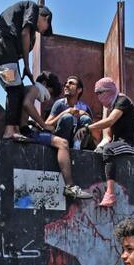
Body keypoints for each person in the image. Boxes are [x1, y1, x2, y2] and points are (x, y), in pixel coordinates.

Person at [76, 77, 134, 207]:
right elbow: (109, 133)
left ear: (109, 91)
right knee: (102, 150)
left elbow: (110, 121)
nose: (98, 97)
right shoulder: (112, 106)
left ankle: (110, 194)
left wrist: (88, 128)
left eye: (100, 92)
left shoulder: (123, 101)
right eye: (96, 94)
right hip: (119, 143)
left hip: (129, 145)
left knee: (108, 150)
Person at [17, 71, 90, 199]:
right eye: (48, 93)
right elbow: (27, 105)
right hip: (25, 131)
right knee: (63, 142)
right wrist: (44, 125)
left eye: (71, 83)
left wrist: (85, 120)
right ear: (45, 84)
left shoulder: (26, 88)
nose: (45, 98)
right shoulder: (34, 89)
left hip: (25, 130)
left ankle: (74, 149)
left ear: (79, 90)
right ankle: (70, 187)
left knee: (82, 124)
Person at [0, 1, 53, 141]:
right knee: (14, 88)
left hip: (3, 49)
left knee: (16, 88)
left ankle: (15, 128)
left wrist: (24, 66)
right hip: (3, 44)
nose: (41, 32)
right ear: (45, 18)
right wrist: (27, 65)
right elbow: (25, 33)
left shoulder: (28, 33)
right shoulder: (33, 7)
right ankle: (9, 131)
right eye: (45, 29)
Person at [45, 75, 93, 149]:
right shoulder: (59, 104)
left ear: (79, 90)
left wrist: (86, 114)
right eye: (66, 84)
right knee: (67, 117)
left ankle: (77, 148)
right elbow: (47, 125)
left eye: (71, 83)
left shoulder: (85, 107)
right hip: (61, 140)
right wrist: (65, 112)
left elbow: (92, 128)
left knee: (86, 119)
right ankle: (62, 148)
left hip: (76, 141)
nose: (66, 85)